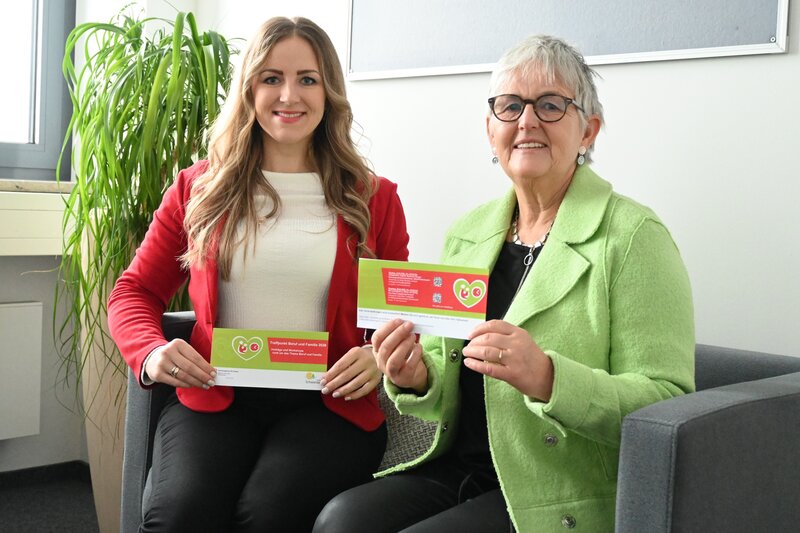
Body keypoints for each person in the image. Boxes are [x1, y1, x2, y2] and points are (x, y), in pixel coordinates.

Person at [314, 35, 694, 533]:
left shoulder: (633, 236)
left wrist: (549, 378)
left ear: (588, 130)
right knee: (340, 520)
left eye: (551, 105)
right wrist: (415, 376)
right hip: (464, 469)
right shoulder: (468, 233)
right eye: (510, 106)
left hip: (556, 486)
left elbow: (667, 406)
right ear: (490, 129)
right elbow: (442, 374)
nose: (527, 121)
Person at [107, 16, 409, 532]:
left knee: (267, 515)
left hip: (328, 406)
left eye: (307, 79)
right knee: (180, 515)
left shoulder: (373, 198)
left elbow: (400, 311)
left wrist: (377, 355)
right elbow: (133, 291)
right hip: (216, 393)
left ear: (329, 91)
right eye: (271, 78)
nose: (289, 95)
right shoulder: (198, 189)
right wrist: (151, 351)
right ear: (249, 88)